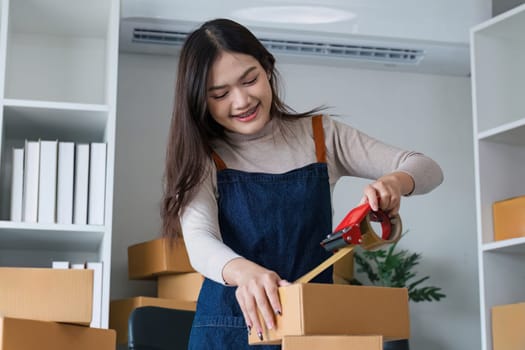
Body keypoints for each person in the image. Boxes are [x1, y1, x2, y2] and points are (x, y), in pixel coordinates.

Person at [161, 18, 443, 350]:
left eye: (249, 80)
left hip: (309, 328)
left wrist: (396, 182)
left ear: (267, 67)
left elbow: (428, 168)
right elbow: (199, 240)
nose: (241, 101)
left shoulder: (322, 137)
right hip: (226, 332)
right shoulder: (203, 155)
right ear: (200, 100)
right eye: (220, 94)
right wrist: (243, 273)